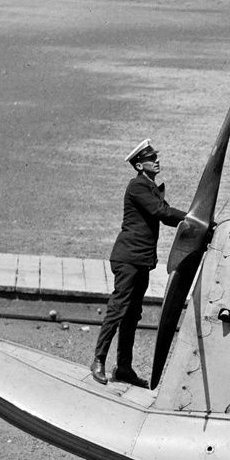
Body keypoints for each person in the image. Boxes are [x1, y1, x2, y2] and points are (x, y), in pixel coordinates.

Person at [92, 140, 189, 386]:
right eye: (151, 159)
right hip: (128, 259)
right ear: (139, 164)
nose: (157, 161)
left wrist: (189, 221)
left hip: (141, 260)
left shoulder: (150, 187)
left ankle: (124, 368)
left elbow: (165, 216)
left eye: (156, 157)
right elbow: (162, 213)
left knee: (132, 315)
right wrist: (192, 218)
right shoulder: (137, 186)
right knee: (118, 310)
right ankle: (98, 361)